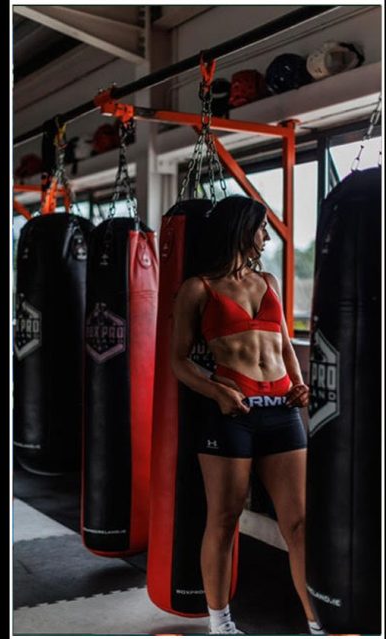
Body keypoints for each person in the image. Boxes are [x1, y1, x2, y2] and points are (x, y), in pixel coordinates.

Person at [170, 196, 322, 635]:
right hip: (231, 415)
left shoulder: (269, 281)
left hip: (281, 413)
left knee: (299, 523)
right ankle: (221, 624)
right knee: (223, 519)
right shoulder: (198, 288)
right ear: (241, 230)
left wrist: (298, 382)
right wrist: (217, 392)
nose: (266, 237)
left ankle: (316, 624)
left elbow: (284, 345)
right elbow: (178, 360)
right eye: (261, 228)